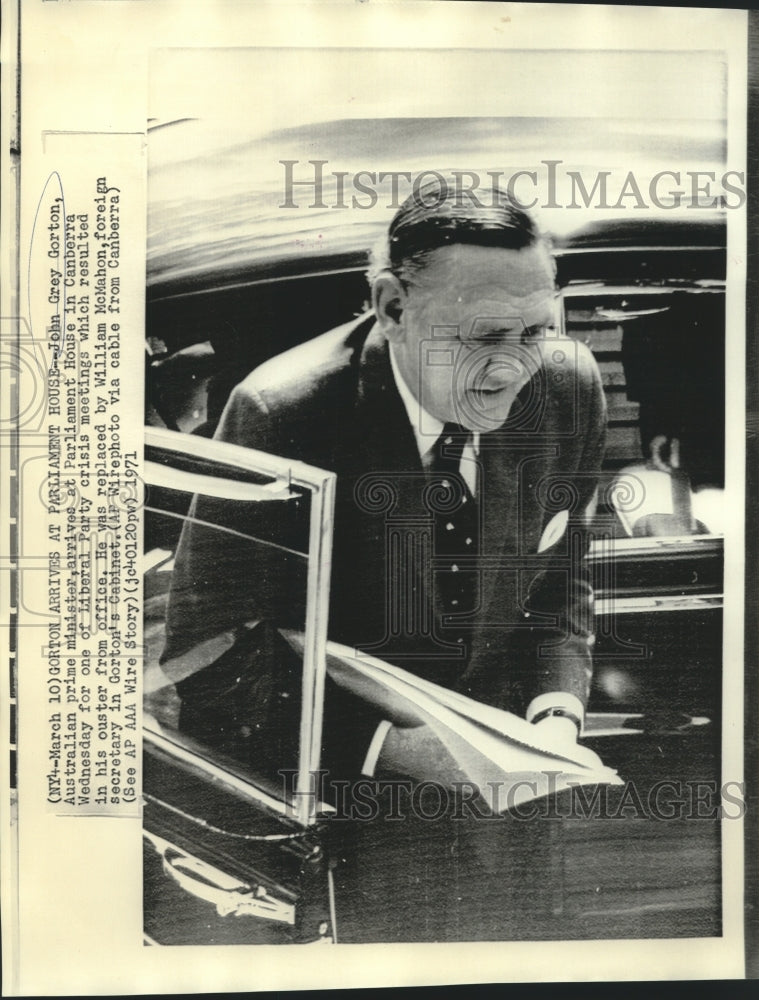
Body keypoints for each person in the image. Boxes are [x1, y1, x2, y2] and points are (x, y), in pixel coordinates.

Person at [162, 180, 607, 789]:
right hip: (340, 801)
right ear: (393, 308)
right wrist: (390, 749)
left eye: (533, 333)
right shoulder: (280, 413)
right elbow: (208, 652)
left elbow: (561, 575)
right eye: (482, 337)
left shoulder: (568, 388)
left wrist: (555, 717)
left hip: (515, 798)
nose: (512, 370)